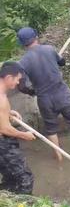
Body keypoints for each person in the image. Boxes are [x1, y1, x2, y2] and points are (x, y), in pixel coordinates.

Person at [17, 27, 70, 161]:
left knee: (51, 128)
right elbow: (62, 62)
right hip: (61, 93)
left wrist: (33, 92)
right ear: (36, 37)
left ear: (22, 43)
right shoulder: (49, 49)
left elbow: (21, 86)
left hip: (44, 98)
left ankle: (58, 156)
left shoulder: (22, 62)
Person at [0, 61, 35, 194]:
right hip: (2, 144)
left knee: (10, 178)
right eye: (17, 80)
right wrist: (24, 135)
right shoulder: (1, 99)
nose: (17, 84)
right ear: (9, 77)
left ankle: (7, 199)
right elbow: (4, 129)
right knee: (25, 178)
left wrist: (8, 112)